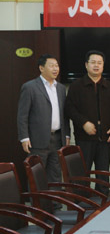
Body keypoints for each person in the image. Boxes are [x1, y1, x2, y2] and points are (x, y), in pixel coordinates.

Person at [65, 50, 110, 194]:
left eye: (99, 63)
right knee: (83, 172)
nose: (96, 65)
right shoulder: (76, 86)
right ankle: (83, 202)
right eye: (93, 62)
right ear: (86, 65)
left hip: (106, 137)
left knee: (103, 172)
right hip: (84, 137)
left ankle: (103, 201)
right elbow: (69, 109)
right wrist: (83, 123)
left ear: (103, 66)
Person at [17, 54, 70, 184]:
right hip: (37, 140)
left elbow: (65, 114)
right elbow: (22, 115)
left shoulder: (61, 88)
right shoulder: (30, 87)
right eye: (51, 66)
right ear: (41, 68)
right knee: (37, 175)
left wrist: (67, 135)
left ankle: (55, 197)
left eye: (57, 66)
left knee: (55, 174)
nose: (55, 69)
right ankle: (37, 198)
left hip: (58, 138)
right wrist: (24, 137)